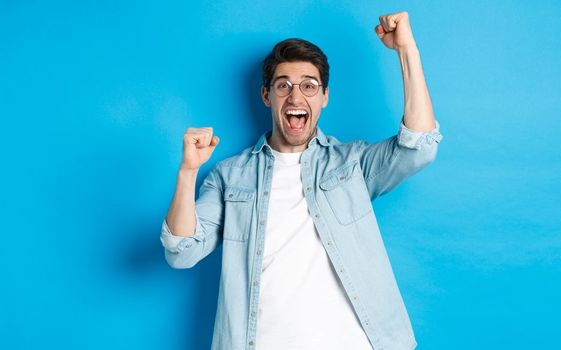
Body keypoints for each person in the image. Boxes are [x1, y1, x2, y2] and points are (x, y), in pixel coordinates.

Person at [160, 11, 442, 350]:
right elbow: (181, 252)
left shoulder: (352, 164)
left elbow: (419, 147)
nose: (296, 97)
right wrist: (188, 172)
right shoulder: (229, 176)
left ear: (324, 96)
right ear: (267, 96)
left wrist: (406, 49)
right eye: (284, 86)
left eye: (309, 86)